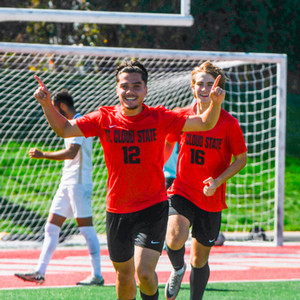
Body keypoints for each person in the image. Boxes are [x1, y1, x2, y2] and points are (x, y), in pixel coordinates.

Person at [30, 59, 224, 300]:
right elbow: (65, 130)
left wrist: (215, 104)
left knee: (144, 272)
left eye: (136, 86)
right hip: (117, 209)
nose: (130, 91)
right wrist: (47, 104)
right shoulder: (104, 117)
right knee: (123, 275)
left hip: (153, 207)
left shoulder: (160, 117)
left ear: (145, 89)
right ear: (117, 88)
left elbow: (205, 123)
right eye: (124, 86)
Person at [164, 61, 247, 300]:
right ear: (192, 87)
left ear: (218, 88)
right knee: (174, 237)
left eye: (210, 84)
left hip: (211, 197)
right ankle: (178, 269)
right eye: (200, 83)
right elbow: (168, 142)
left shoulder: (229, 123)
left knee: (200, 259)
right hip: (182, 190)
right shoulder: (181, 115)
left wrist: (218, 181)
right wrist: (156, 167)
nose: (204, 88)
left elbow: (241, 159)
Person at [14, 89, 104, 286]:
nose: (53, 114)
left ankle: (97, 274)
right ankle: (39, 271)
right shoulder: (69, 124)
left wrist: (43, 154)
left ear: (62, 107)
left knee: (86, 229)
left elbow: (72, 153)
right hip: (67, 182)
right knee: (51, 226)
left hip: (79, 184)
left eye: (54, 109)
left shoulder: (79, 123)